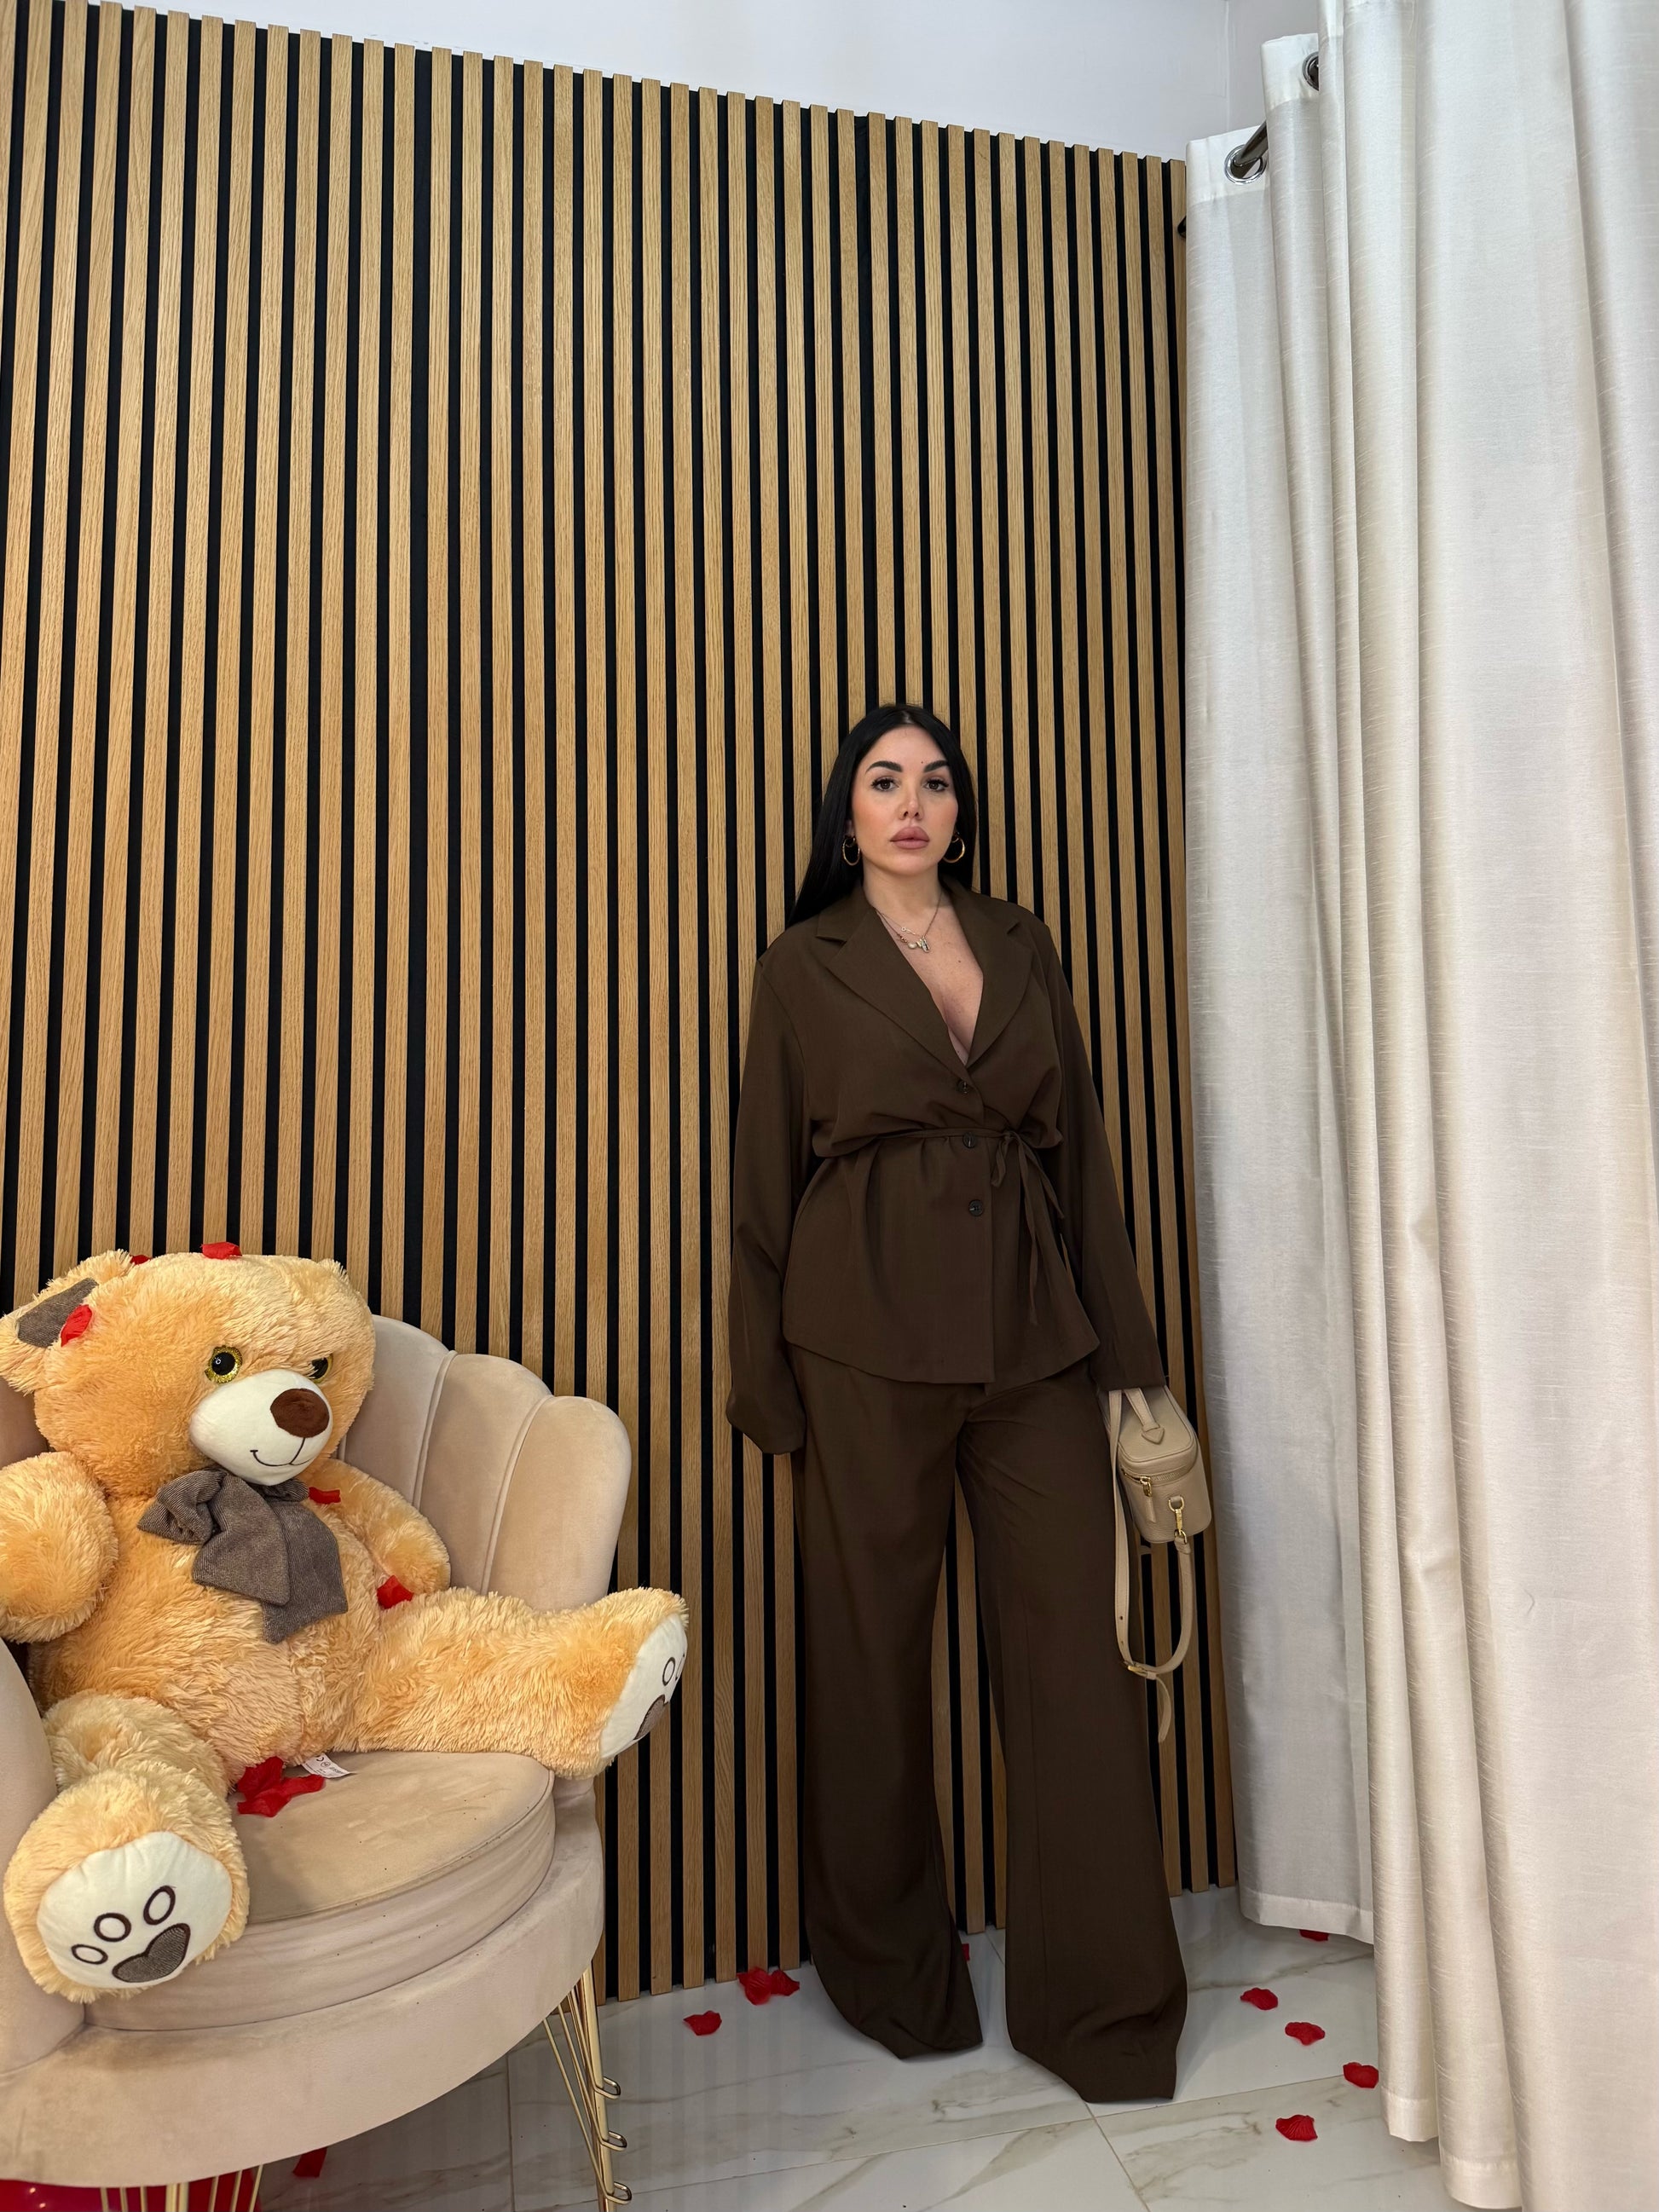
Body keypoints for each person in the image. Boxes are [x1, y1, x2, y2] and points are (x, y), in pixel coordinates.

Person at [725, 702, 1187, 2101]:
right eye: (883, 782)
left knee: (1077, 1665)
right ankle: (893, 1980)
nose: (910, 802)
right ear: (847, 814)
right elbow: (763, 1182)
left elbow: (1081, 1154)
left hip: (1033, 1332)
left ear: (959, 812)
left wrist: (1127, 1360)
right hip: (857, 1335)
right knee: (868, 1663)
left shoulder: (1022, 942)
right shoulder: (802, 964)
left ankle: (1102, 2007)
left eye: (933, 782)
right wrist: (765, 1383)